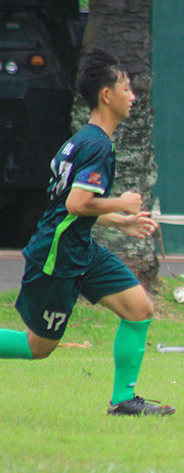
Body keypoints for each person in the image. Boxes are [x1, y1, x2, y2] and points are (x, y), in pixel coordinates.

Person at [0, 48, 172, 416]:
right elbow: (78, 204)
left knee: (140, 309)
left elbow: (70, 208)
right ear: (106, 95)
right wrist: (122, 203)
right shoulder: (97, 145)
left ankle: (124, 400)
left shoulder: (82, 140)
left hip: (80, 247)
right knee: (38, 347)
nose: (133, 96)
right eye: (126, 88)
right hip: (58, 255)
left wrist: (121, 222)